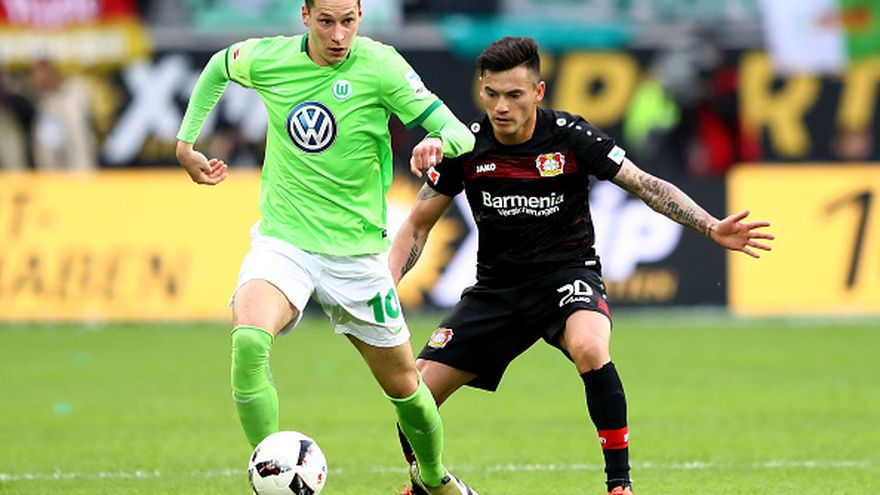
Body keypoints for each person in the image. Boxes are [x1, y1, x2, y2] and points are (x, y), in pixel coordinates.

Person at [390, 36, 774, 495]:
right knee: (414, 394)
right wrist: (386, 285)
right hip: (497, 289)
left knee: (590, 347)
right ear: (480, 90)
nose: (502, 106)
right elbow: (417, 224)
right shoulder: (466, 146)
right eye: (492, 94)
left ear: (538, 91)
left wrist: (710, 226)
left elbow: (645, 185)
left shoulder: (571, 136)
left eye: (514, 94)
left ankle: (619, 485)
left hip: (566, 276)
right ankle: (425, 484)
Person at [175, 1, 479, 494]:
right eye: (326, 22)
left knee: (406, 388)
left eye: (348, 22)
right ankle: (272, 474)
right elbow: (218, 65)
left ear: (360, 16)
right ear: (304, 16)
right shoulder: (271, 59)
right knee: (249, 340)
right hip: (285, 241)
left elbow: (459, 133)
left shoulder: (382, 66)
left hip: (357, 256)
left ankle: (433, 478)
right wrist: (186, 143)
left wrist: (437, 144)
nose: (338, 35)